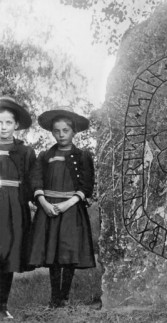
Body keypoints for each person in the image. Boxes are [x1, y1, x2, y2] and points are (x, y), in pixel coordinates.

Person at [28, 108, 95, 308]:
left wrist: (68, 203)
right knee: (53, 255)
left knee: (68, 254)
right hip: (48, 210)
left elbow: (87, 185)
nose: (61, 134)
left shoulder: (83, 156)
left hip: (71, 210)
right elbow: (36, 180)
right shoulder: (45, 155)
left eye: (66, 130)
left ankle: (64, 297)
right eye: (57, 131)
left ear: (74, 132)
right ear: (52, 132)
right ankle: (54, 298)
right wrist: (44, 203)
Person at [0, 96, 35, 320]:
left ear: (16, 125)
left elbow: (33, 179)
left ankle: (2, 305)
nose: (3, 128)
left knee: (7, 254)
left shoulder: (25, 151)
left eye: (8, 123)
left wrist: (33, 199)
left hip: (12, 207)